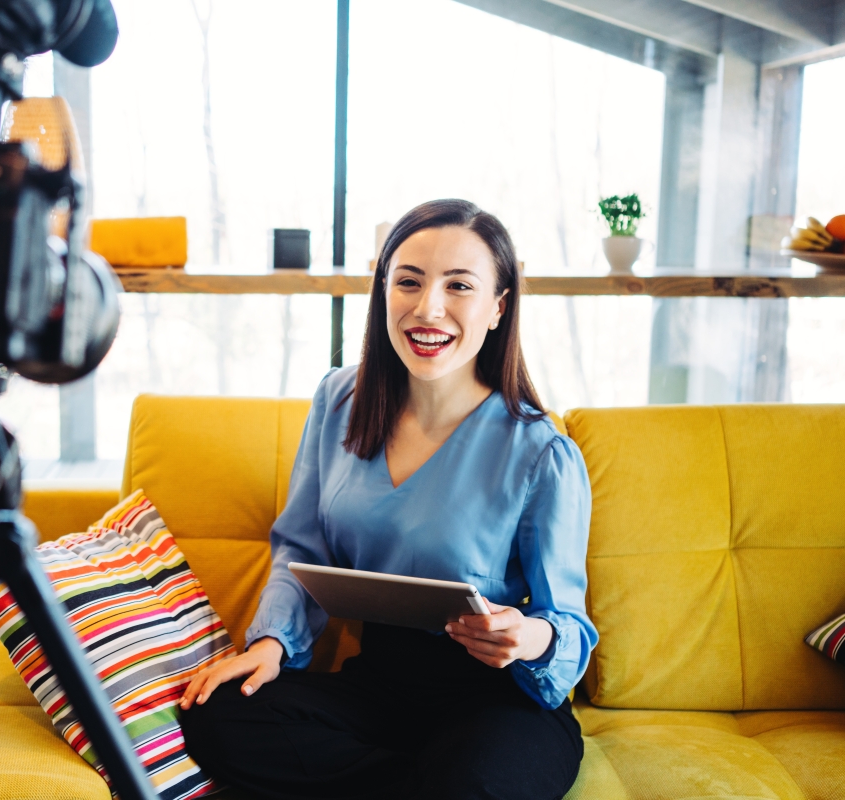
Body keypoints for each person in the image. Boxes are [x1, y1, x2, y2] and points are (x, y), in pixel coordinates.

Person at [178, 199, 597, 799]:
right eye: (409, 282)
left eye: (459, 286)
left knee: (474, 780)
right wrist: (271, 643)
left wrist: (526, 637)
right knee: (219, 712)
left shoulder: (540, 450)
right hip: (378, 686)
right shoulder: (339, 401)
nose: (429, 308)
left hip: (495, 700)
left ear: (498, 307)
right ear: (382, 292)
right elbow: (302, 547)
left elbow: (569, 625)